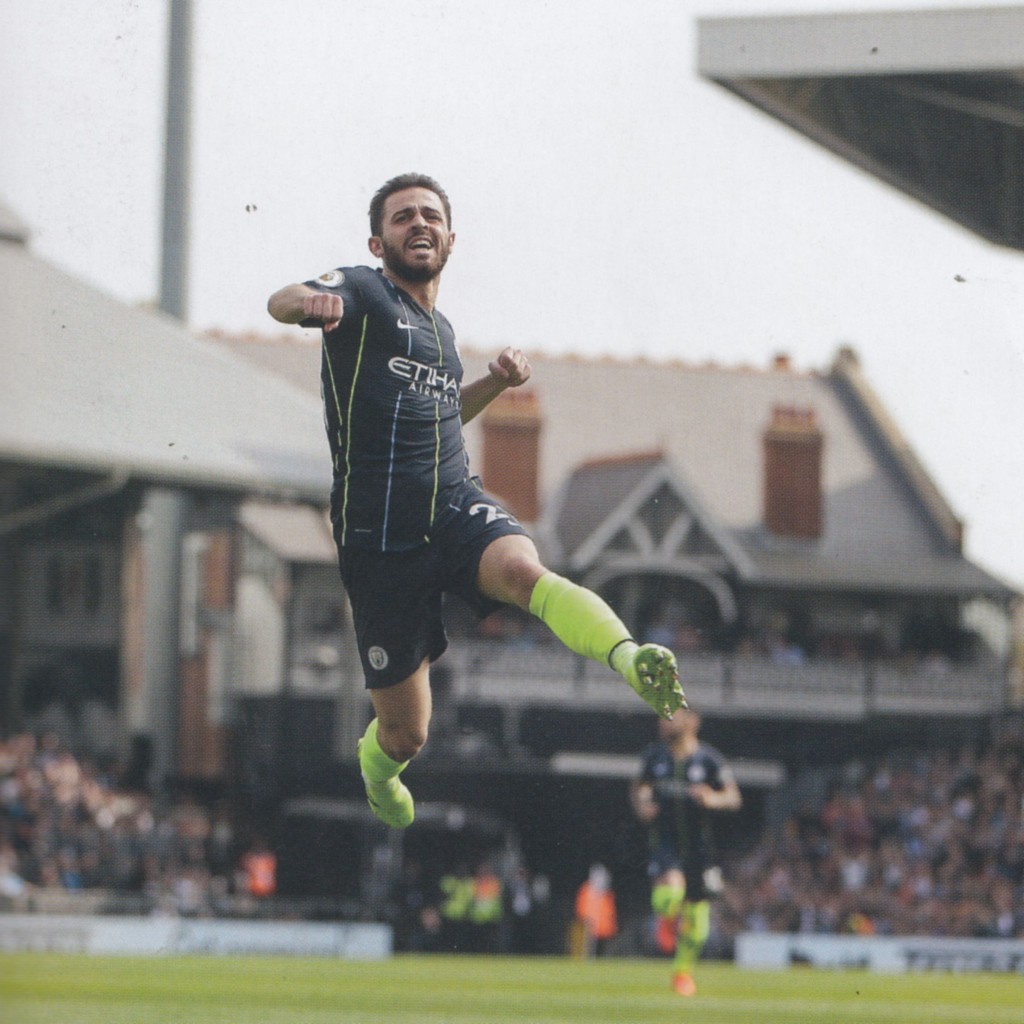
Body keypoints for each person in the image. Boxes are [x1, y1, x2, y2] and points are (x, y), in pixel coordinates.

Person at [268, 172, 685, 829]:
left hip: (452, 503)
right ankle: (378, 774)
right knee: (406, 736)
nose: (418, 224)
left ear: (452, 239)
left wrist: (491, 381)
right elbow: (285, 299)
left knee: (524, 570)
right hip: (379, 540)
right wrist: (303, 307)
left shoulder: (443, 333)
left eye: (430, 215)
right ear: (378, 242)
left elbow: (442, 416)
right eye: (402, 217)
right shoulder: (362, 290)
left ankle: (631, 659)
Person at [630, 708, 741, 997]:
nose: (663, 722)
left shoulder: (708, 760)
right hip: (665, 842)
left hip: (700, 848)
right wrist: (642, 805)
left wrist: (713, 798)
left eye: (671, 716)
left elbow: (733, 797)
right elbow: (640, 787)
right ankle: (666, 919)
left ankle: (681, 974)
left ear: (692, 722)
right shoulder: (654, 757)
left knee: (699, 926)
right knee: (670, 895)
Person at [573, 863, 618, 957]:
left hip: (604, 928)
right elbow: (581, 907)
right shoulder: (586, 890)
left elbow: (610, 911)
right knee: (589, 949)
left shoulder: (607, 894)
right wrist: (584, 919)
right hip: (589, 925)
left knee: (604, 950)